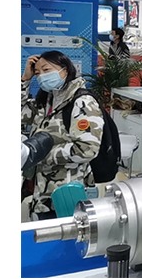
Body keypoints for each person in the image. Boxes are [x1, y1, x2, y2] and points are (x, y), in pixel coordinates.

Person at [21, 51, 104, 220]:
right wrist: (24, 80)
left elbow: (87, 149)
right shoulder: (46, 101)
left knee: (68, 234)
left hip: (67, 193)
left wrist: (40, 155)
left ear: (65, 70)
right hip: (42, 193)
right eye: (38, 73)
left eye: (46, 70)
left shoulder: (82, 102)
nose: (42, 76)